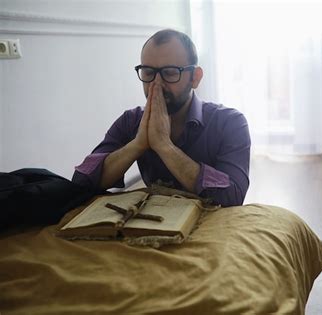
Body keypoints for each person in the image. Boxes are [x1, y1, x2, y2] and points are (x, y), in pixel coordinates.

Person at [72, 29, 250, 207]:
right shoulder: (130, 121)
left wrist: (165, 147)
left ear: (195, 77)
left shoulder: (230, 123)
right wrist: (138, 144)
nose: (156, 84)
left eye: (170, 72)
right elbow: (81, 182)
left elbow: (233, 197)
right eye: (148, 72)